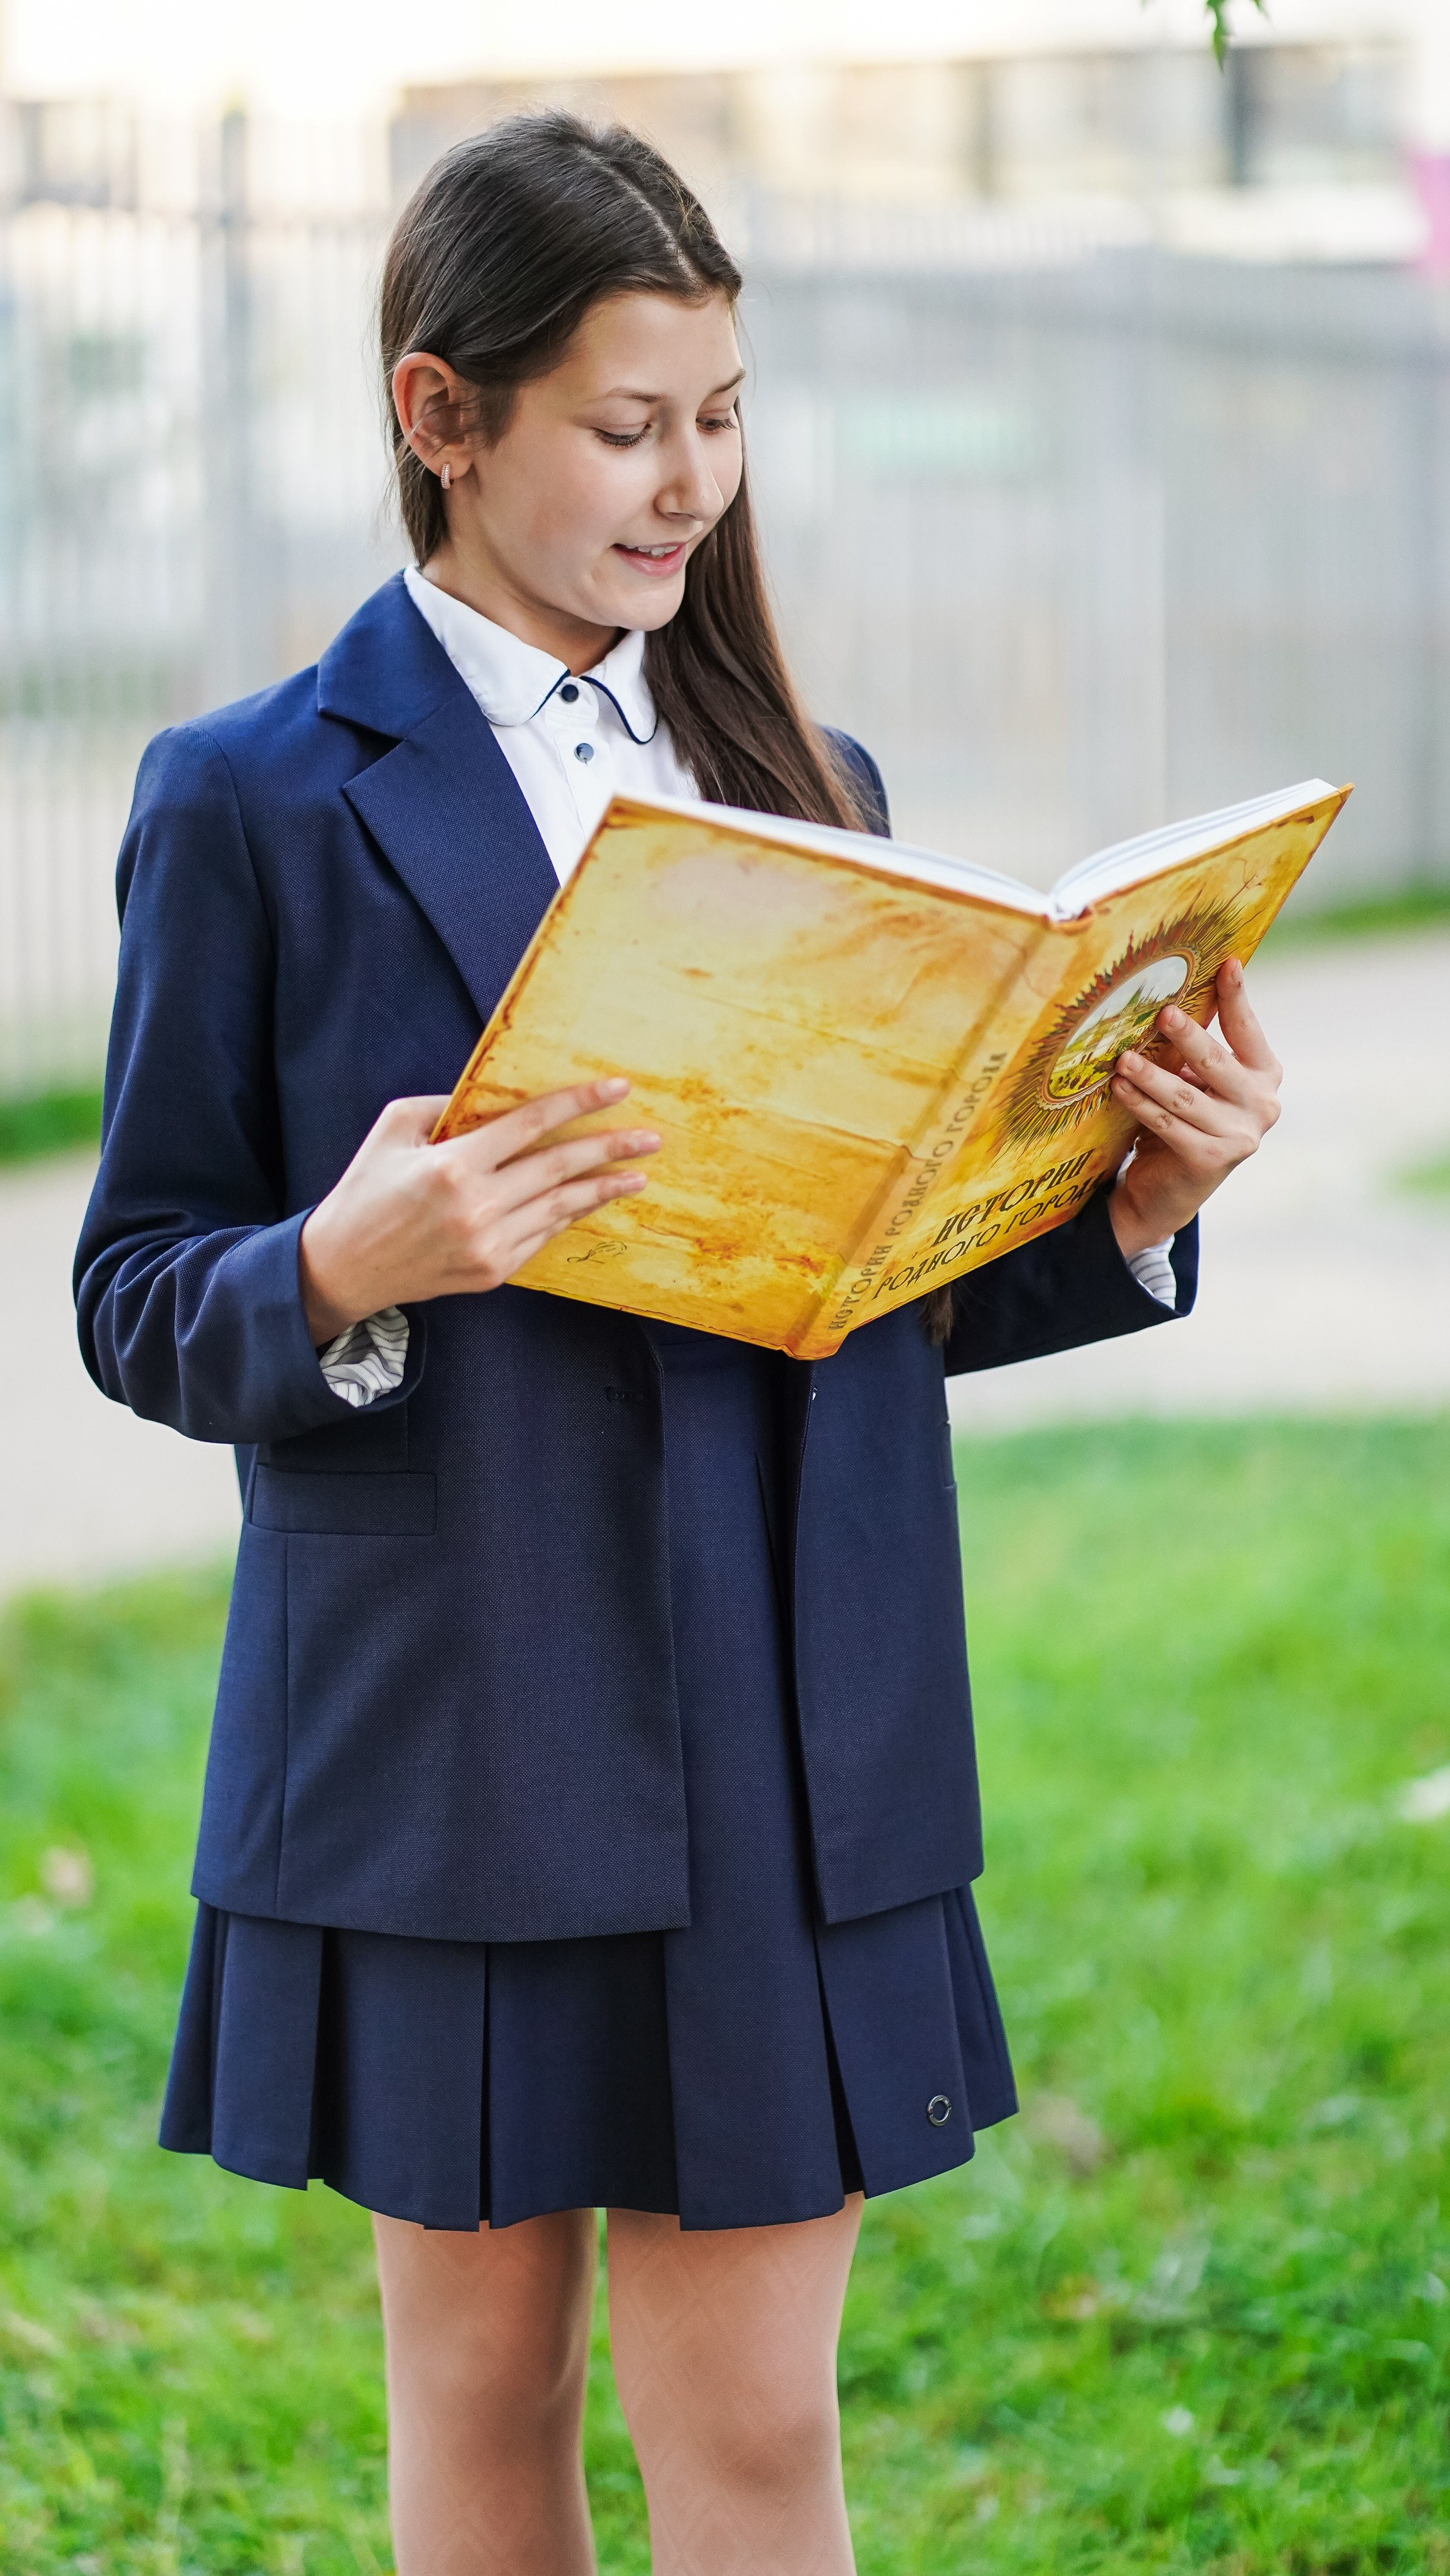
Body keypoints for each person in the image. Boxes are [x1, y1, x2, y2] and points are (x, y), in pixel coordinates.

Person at [74, 112, 1283, 2576]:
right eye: (628, 427)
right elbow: (133, 1288)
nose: (689, 487)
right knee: (482, 2397)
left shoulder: (805, 789)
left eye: (721, 418)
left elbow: (856, 1277)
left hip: (788, 1725)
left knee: (756, 2439)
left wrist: (1133, 1201)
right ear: (442, 416)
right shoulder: (247, 800)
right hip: (456, 1720)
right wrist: (340, 1262)